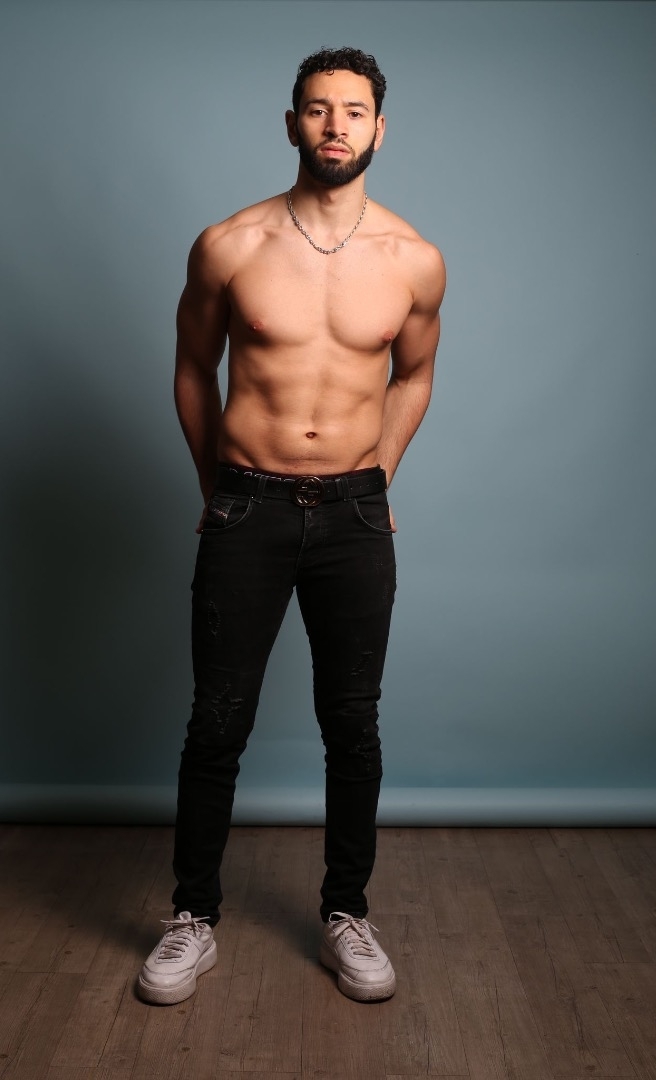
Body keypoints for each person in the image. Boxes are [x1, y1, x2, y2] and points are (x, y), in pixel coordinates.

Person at [137, 46, 445, 1006]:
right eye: (317, 109)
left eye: (352, 111)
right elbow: (193, 368)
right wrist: (216, 487)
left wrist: (377, 479)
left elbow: (415, 375)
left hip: (353, 511)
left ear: (380, 127)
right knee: (217, 721)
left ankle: (347, 912)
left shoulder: (414, 259)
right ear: (292, 124)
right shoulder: (229, 245)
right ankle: (192, 918)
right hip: (249, 503)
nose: (335, 125)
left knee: (352, 723)